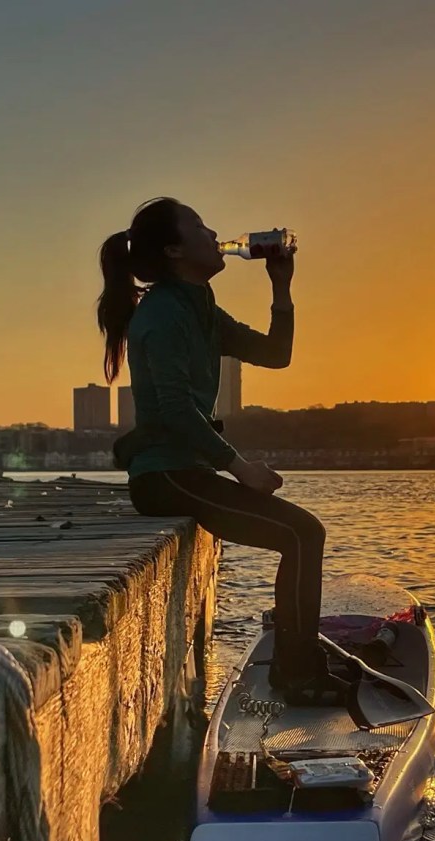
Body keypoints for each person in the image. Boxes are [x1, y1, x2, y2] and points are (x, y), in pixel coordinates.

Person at [96, 197, 343, 702]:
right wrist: (239, 467)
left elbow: (276, 355)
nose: (215, 235)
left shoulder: (200, 306)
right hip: (165, 475)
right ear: (173, 250)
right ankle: (298, 674)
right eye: (200, 227)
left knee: (302, 534)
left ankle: (298, 666)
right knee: (301, 534)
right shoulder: (162, 314)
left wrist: (281, 286)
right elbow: (173, 412)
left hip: (187, 469)